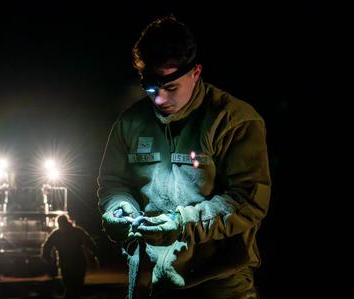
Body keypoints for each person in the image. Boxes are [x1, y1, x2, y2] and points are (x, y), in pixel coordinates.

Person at [97, 15, 271, 299]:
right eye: (151, 88)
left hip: (218, 285)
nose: (160, 99)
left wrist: (181, 224)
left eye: (171, 87)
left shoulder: (234, 121)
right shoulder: (129, 123)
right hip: (148, 283)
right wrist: (118, 207)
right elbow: (113, 182)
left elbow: (248, 199)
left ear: (196, 72)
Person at [42, 214, 99, 299]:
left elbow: (47, 246)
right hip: (77, 264)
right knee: (75, 286)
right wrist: (96, 255)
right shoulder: (77, 231)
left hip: (68, 265)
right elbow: (90, 243)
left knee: (70, 286)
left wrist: (46, 257)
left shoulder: (57, 234)